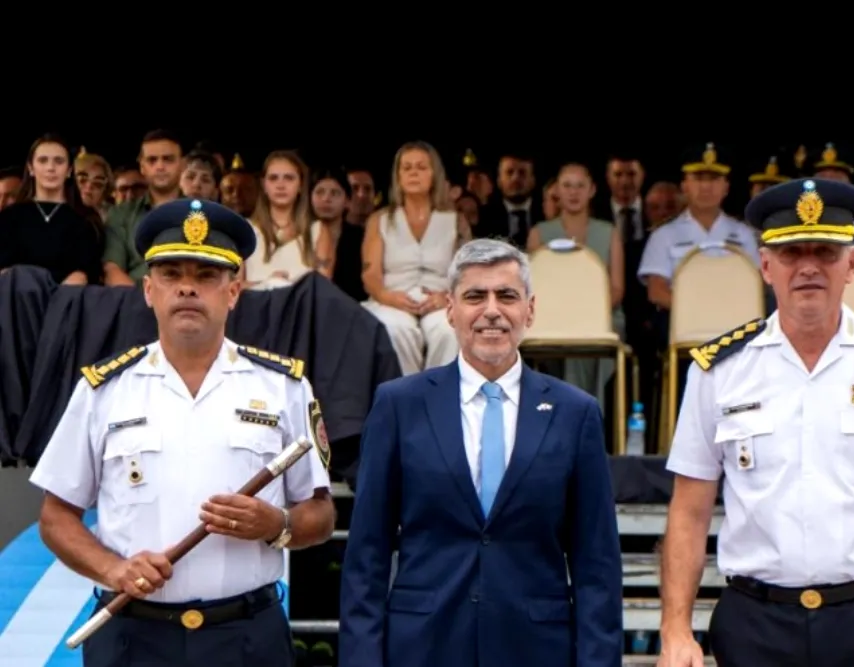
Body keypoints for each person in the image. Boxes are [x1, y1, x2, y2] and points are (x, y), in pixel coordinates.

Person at [658, 178, 854, 667]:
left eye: (824, 251)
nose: (807, 267)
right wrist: (675, 630)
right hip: (754, 624)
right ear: (765, 265)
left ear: (852, 265)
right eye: (790, 253)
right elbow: (689, 512)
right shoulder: (717, 369)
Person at [29, 198, 337, 667]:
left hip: (247, 637)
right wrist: (115, 568)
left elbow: (321, 513)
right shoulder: (102, 390)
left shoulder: (283, 388)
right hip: (133, 637)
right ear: (148, 290)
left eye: (206, 276)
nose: (188, 289)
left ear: (234, 291)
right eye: (172, 274)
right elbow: (55, 518)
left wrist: (278, 526)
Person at [339, 238, 623, 667]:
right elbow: (367, 554)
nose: (492, 310)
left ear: (529, 309)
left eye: (506, 296)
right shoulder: (399, 405)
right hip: (422, 648)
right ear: (450, 310)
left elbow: (596, 564)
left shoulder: (575, 413)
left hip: (535, 650)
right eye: (475, 296)